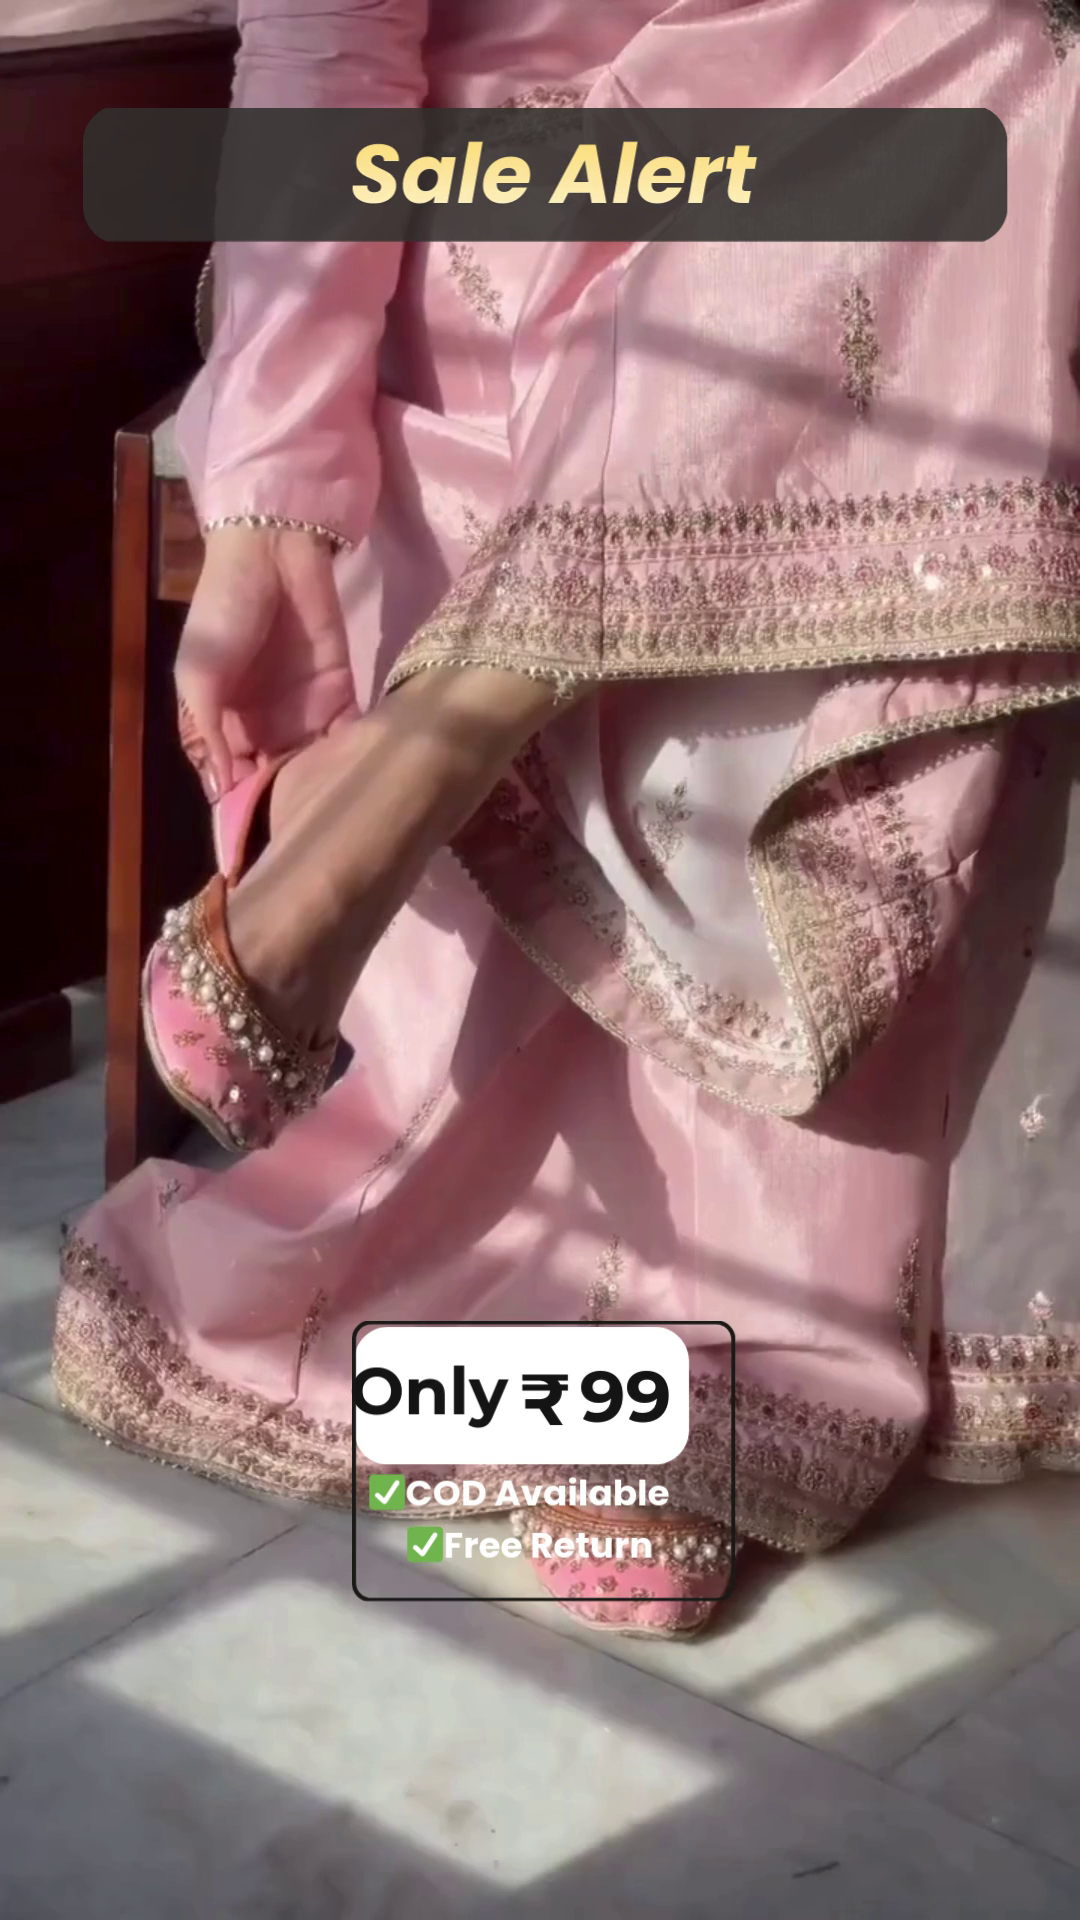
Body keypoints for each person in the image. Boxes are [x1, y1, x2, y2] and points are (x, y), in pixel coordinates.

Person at [53, 0, 1080, 1638]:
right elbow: (325, 49)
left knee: (1014, 77)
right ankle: (601, 1369)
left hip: (889, 209)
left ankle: (440, 745)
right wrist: (268, 518)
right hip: (534, 236)